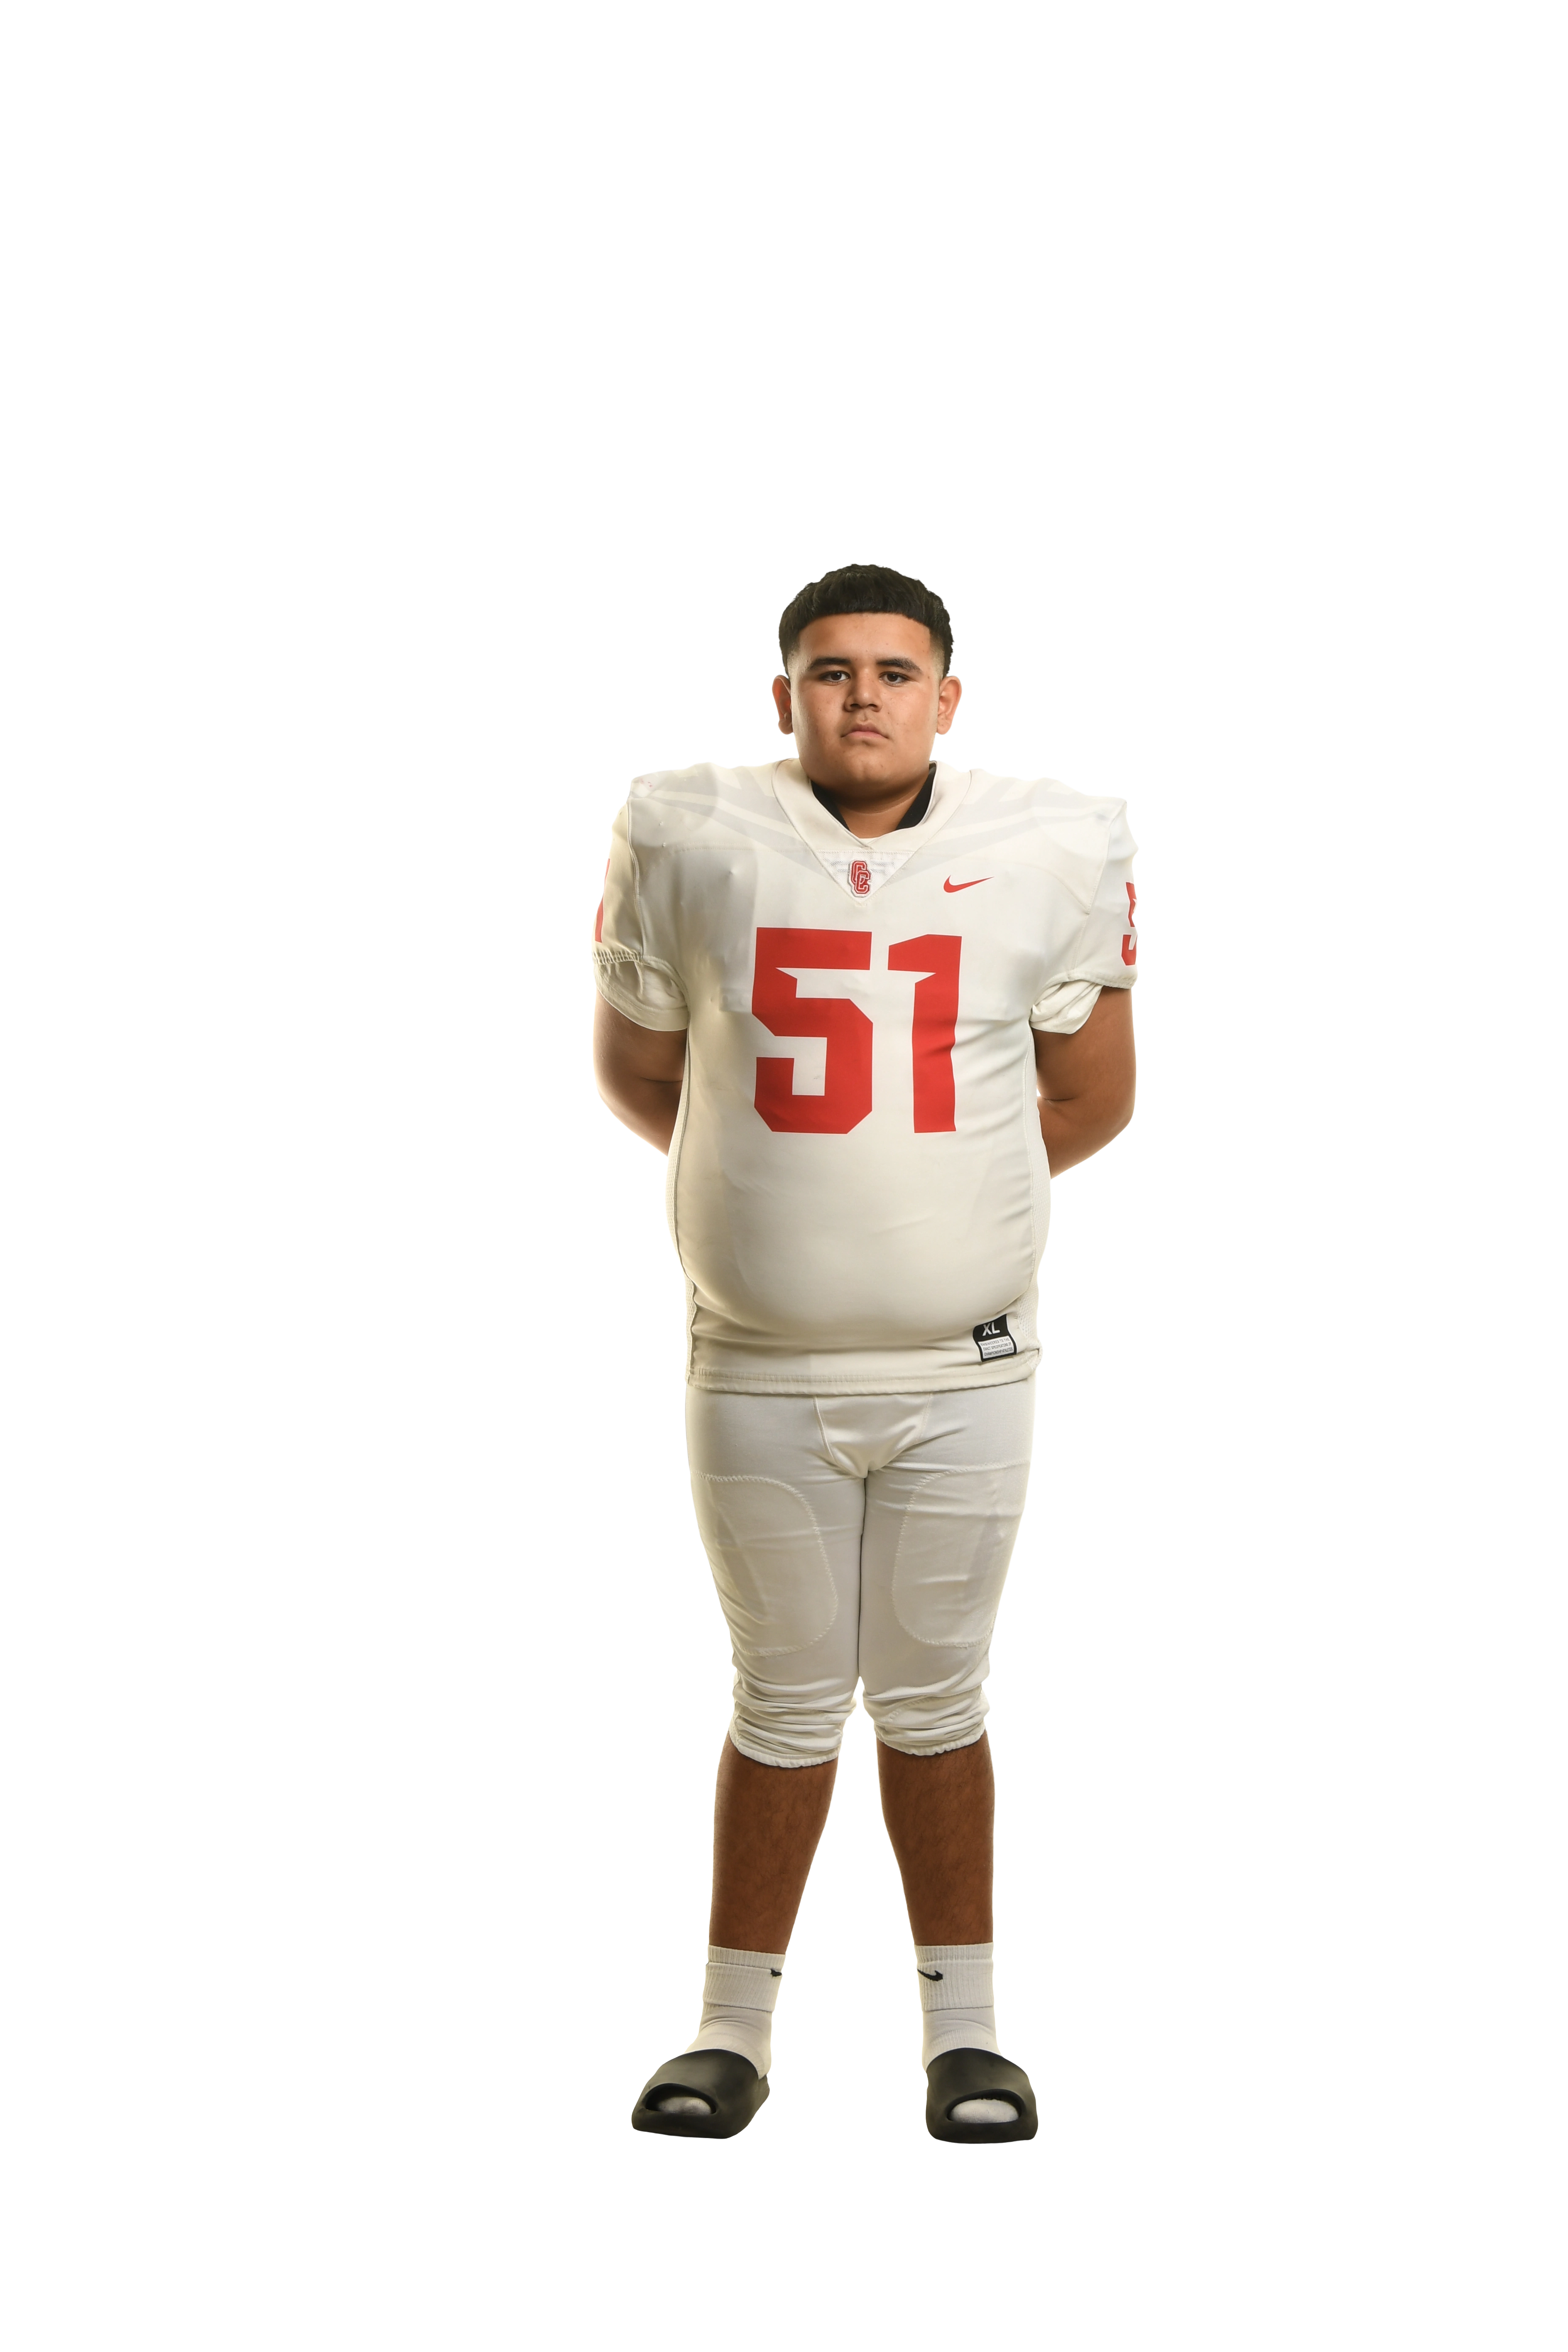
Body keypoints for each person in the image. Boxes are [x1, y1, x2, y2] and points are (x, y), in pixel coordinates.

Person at [596, 562, 1138, 2142]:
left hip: (964, 1369)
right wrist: (790, 1212)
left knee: (936, 1699)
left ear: (946, 698)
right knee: (779, 1701)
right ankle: (729, 2033)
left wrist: (933, 1214)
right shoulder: (688, 831)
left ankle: (966, 2038)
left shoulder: (1050, 839)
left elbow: (1093, 1096)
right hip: (756, 1365)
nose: (863, 698)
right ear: (786, 696)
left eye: (896, 673)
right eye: (831, 672)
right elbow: (644, 1074)